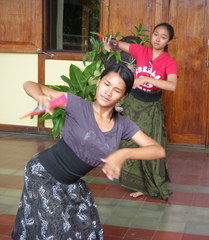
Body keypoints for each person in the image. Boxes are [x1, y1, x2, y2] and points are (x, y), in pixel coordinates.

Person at [12, 63, 165, 239]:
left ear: (124, 96)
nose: (108, 92)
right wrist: (40, 96)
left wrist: (124, 153)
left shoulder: (123, 125)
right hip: (42, 173)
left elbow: (157, 150)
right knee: (53, 231)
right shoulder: (76, 104)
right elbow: (29, 84)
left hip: (70, 183)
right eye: (106, 84)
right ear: (99, 82)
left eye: (116, 90)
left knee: (86, 231)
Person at [103, 23, 178, 200]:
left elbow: (172, 85)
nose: (158, 39)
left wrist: (145, 78)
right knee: (130, 143)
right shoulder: (141, 51)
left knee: (150, 145)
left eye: (163, 37)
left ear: (169, 41)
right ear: (151, 35)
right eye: (156, 34)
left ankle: (149, 185)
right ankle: (137, 183)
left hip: (152, 108)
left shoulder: (169, 62)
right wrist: (109, 45)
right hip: (133, 104)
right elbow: (117, 44)